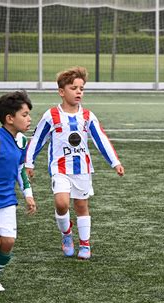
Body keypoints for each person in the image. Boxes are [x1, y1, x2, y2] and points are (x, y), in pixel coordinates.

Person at [25, 66, 125, 260]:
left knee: (81, 206)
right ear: (62, 92)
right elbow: (37, 139)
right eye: (74, 88)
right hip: (60, 169)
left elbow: (101, 139)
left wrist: (115, 162)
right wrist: (29, 162)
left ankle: (85, 244)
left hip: (82, 170)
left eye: (82, 88)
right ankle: (67, 235)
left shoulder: (87, 116)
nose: (79, 91)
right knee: (61, 204)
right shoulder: (51, 115)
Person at [0, 90, 36, 292]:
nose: (29, 119)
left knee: (8, 242)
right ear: (9, 119)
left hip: (7, 199)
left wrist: (28, 195)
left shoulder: (22, 142)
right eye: (24, 115)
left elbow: (20, 171)